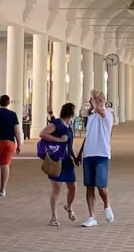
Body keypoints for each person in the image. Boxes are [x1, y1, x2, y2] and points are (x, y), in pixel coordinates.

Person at [78, 89, 114, 227]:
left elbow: (101, 110)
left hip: (102, 154)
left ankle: (106, 204)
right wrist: (80, 153)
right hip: (89, 154)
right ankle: (92, 216)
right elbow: (88, 137)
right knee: (89, 186)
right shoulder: (91, 116)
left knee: (101, 186)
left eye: (92, 100)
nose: (90, 102)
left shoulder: (108, 114)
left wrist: (96, 97)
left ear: (99, 102)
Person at [40, 101, 77, 226]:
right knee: (57, 187)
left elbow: (69, 145)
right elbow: (42, 133)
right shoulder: (57, 124)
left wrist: (75, 157)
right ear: (70, 113)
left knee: (72, 187)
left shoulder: (69, 127)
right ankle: (54, 217)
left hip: (67, 160)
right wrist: (58, 139)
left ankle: (69, 206)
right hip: (56, 159)